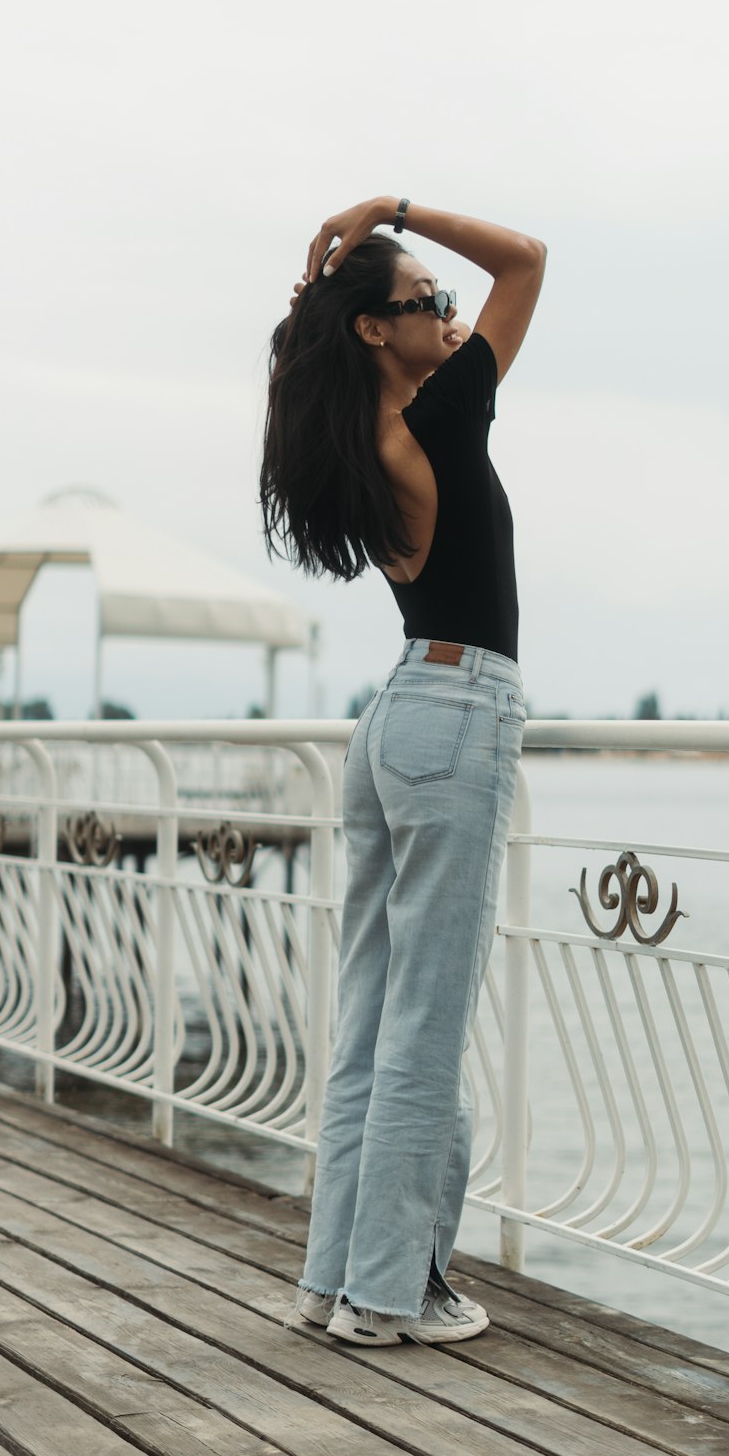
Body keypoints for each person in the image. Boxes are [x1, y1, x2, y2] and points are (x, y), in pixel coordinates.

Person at [260, 196, 545, 1345]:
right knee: (424, 1024)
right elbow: (527, 260)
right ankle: (390, 1296)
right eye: (426, 300)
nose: (448, 311)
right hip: (457, 708)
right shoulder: (441, 419)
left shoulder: (363, 440)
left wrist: (378, 248)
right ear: (377, 332)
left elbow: (498, 278)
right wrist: (391, 207)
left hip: (393, 718)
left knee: (375, 1015)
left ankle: (333, 1280)